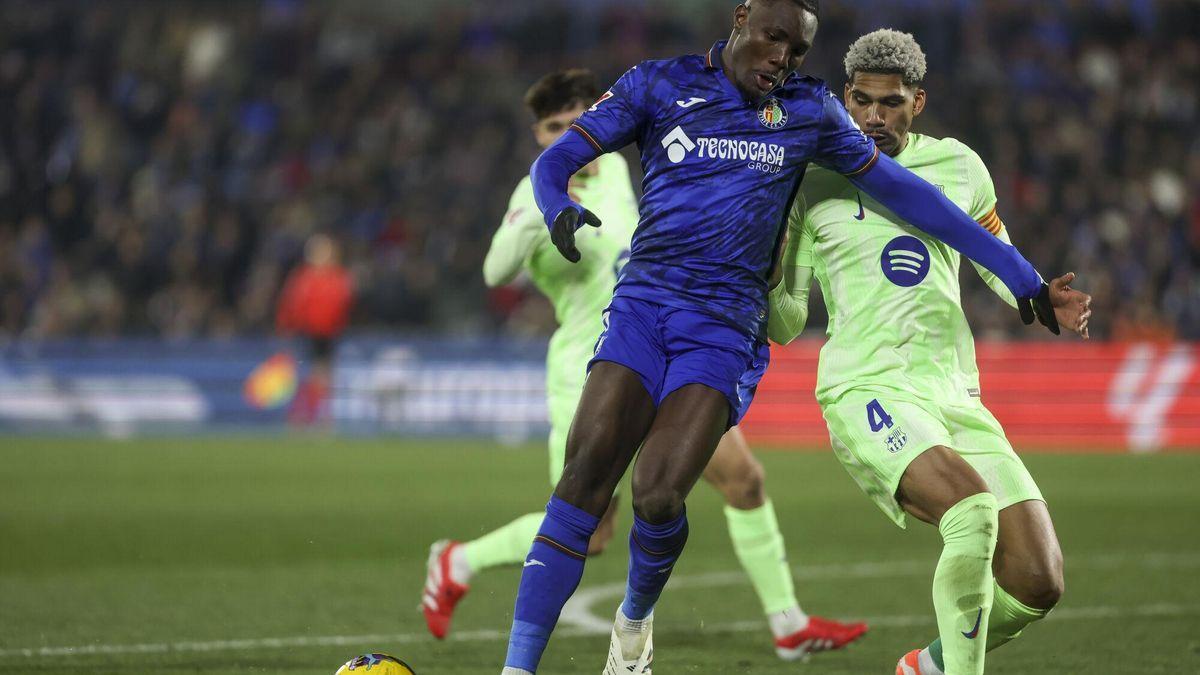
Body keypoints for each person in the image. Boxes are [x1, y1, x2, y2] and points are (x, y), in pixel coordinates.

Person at [507, 1, 1060, 672]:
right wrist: (556, 202)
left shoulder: (810, 111)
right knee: (582, 482)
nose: (783, 60)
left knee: (657, 494)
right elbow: (555, 159)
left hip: (723, 328)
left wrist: (1021, 273)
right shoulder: (657, 82)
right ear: (742, 18)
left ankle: (633, 621)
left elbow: (914, 197)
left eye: (797, 52)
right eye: (774, 40)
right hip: (643, 309)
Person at [421, 67, 866, 662]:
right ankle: (458, 561)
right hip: (591, 367)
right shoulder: (537, 192)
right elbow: (494, 272)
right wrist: (540, 212)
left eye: (573, 122)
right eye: (552, 128)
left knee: (744, 480)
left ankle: (787, 624)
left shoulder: (617, 173)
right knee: (593, 526)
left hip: (665, 348)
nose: (564, 136)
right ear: (537, 135)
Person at [767, 30, 1093, 675]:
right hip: (866, 387)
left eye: (889, 104)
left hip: (954, 393)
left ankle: (929, 665)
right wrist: (767, 273)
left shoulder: (958, 166)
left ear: (917, 101)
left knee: (1038, 580)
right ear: (845, 97)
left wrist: (1033, 293)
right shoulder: (812, 178)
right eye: (860, 101)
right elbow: (786, 323)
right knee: (970, 510)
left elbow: (992, 254)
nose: (872, 118)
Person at [275, 233, 353, 425]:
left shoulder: (338, 277)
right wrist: (286, 327)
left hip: (327, 333)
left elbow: (343, 305)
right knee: (307, 375)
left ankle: (321, 416)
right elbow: (291, 305)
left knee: (323, 376)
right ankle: (301, 415)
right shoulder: (304, 278)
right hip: (306, 332)